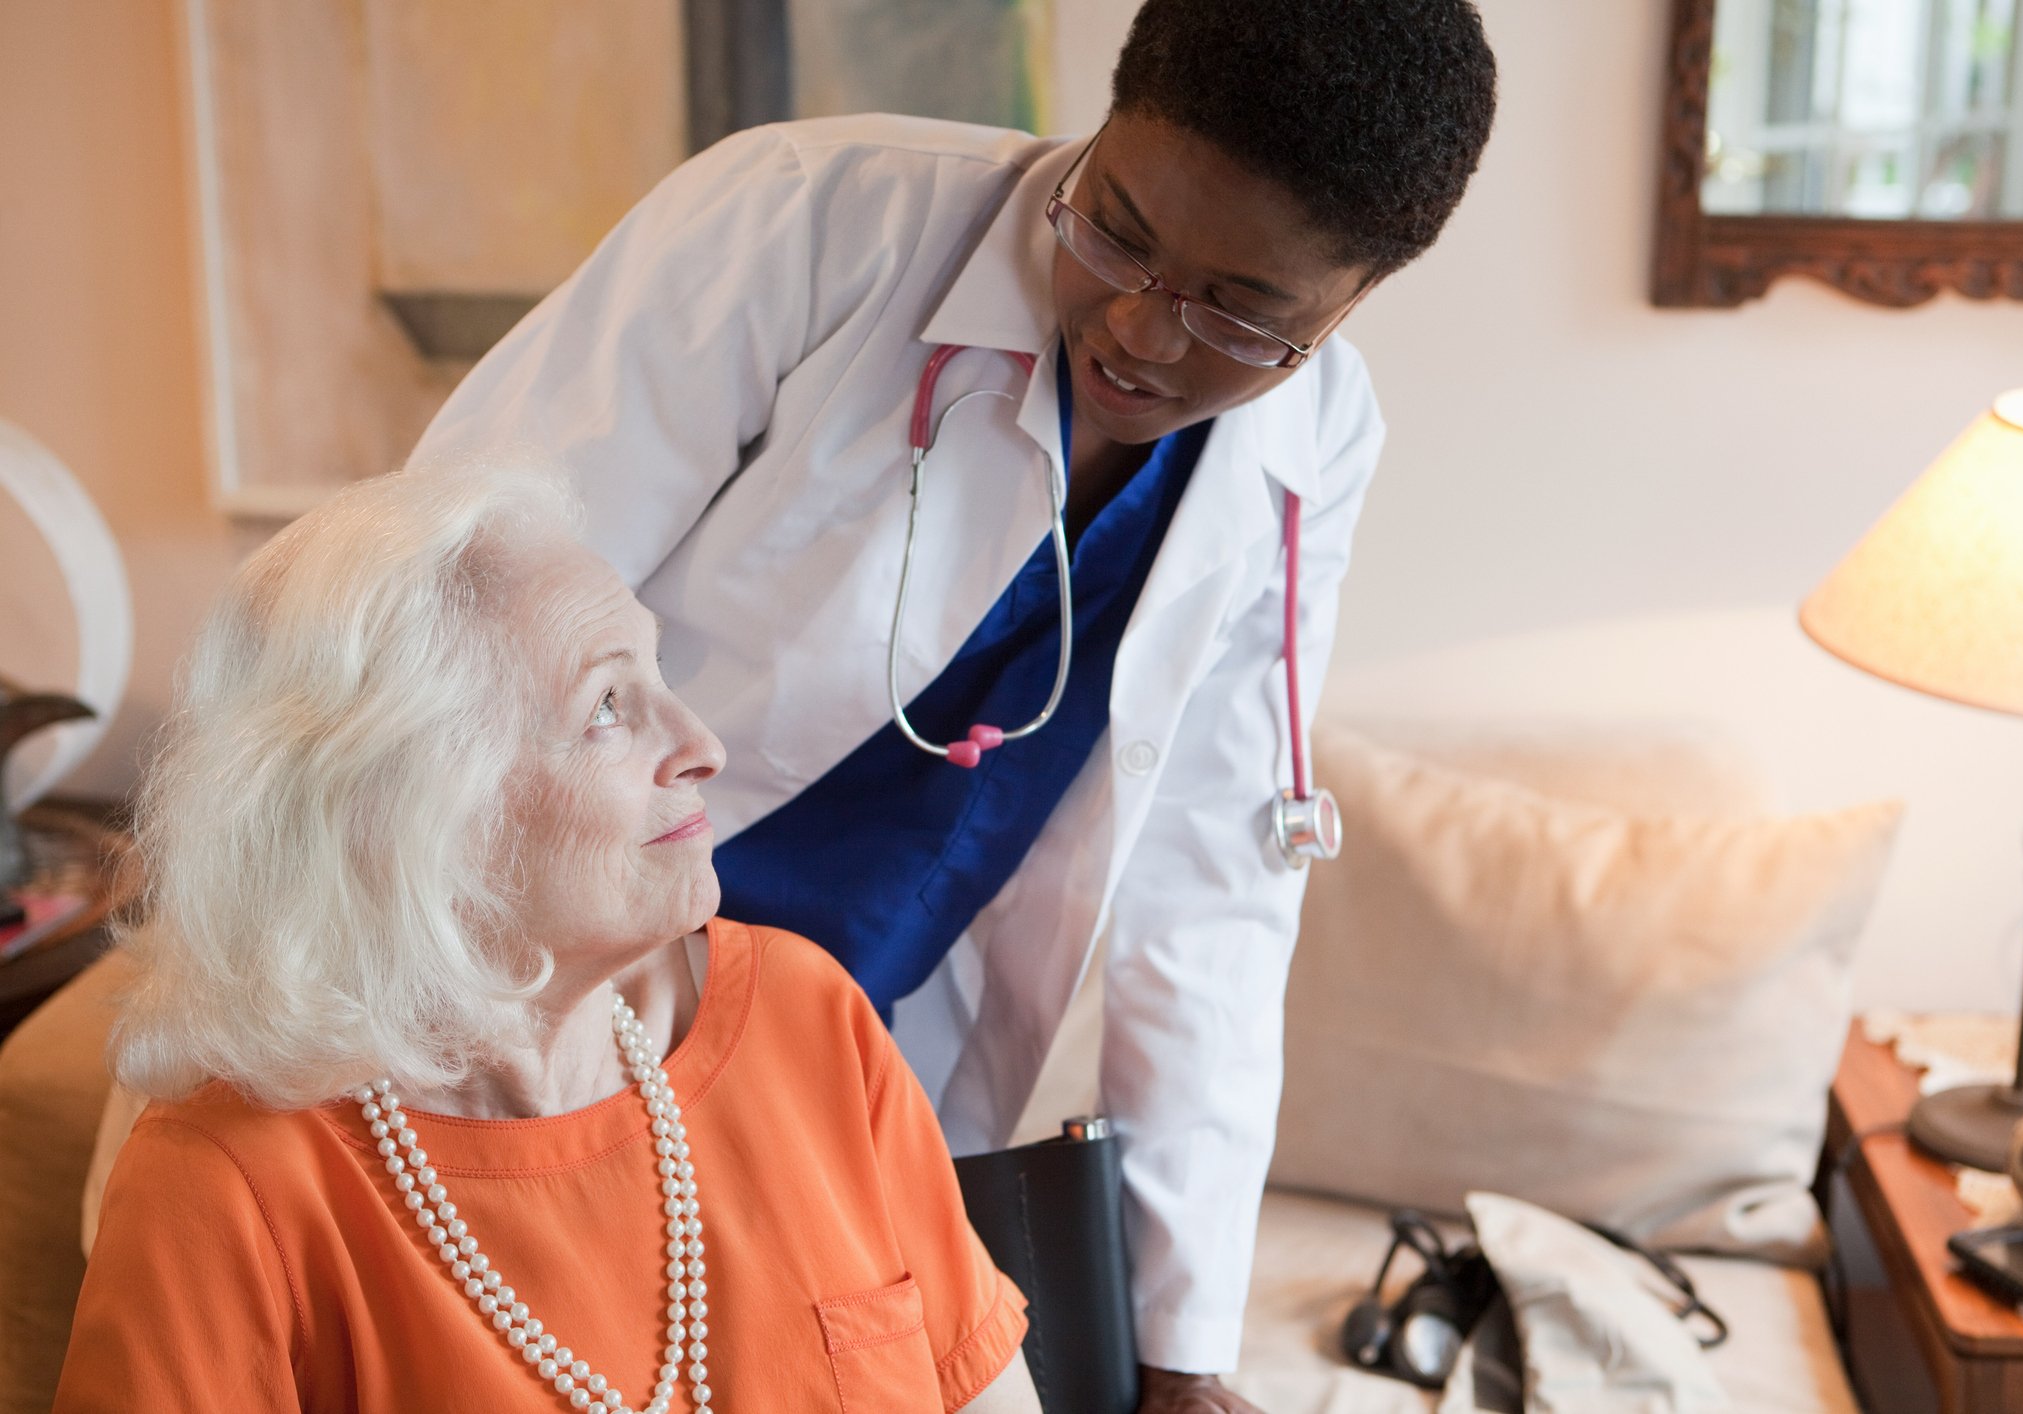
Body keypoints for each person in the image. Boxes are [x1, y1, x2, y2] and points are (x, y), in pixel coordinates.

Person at [416, 2, 1497, 1404]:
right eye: (1115, 226)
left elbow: (1215, 892)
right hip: (530, 997)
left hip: (847, 1078)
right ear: (1104, 127)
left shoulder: (1313, 443)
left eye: (1241, 310)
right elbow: (453, 622)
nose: (1138, 326)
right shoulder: (809, 224)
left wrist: (1184, 1342)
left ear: (1350, 302)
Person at [54, 465, 1040, 1412]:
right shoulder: (227, 1189)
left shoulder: (807, 1020)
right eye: (607, 707)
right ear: (421, 814)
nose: (702, 745)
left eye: (661, 672)